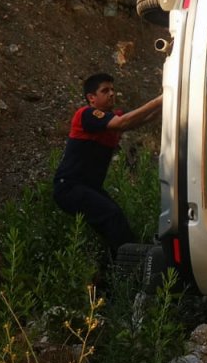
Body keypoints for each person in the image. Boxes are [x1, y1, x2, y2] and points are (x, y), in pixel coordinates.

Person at [52, 73, 162, 262]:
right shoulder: (87, 114)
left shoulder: (110, 120)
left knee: (116, 224)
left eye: (112, 89)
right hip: (70, 187)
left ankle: (114, 271)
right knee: (112, 217)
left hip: (88, 188)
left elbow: (140, 120)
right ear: (91, 98)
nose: (112, 93)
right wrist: (163, 98)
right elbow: (124, 122)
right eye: (105, 90)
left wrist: (166, 104)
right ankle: (131, 270)